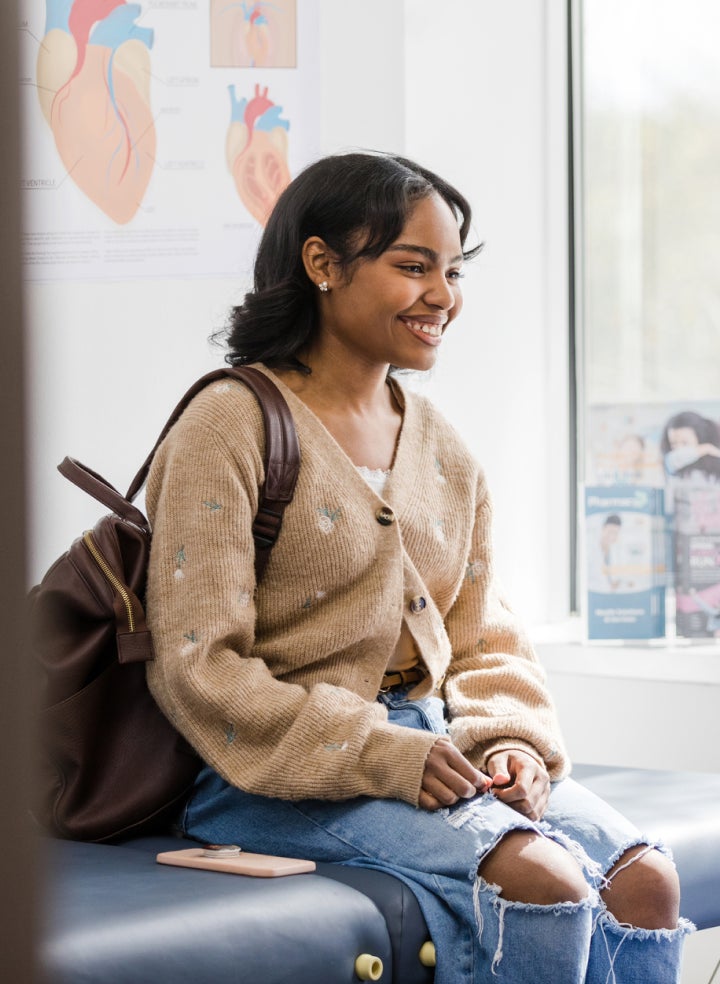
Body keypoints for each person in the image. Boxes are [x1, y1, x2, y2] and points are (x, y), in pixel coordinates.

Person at [145, 151, 692, 983]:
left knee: (647, 882)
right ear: (322, 264)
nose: (444, 296)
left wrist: (511, 742)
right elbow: (200, 667)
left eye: (452, 271)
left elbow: (484, 638)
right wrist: (379, 750)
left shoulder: (441, 446)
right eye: (413, 267)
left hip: (440, 748)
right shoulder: (227, 425)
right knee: (541, 881)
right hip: (269, 777)